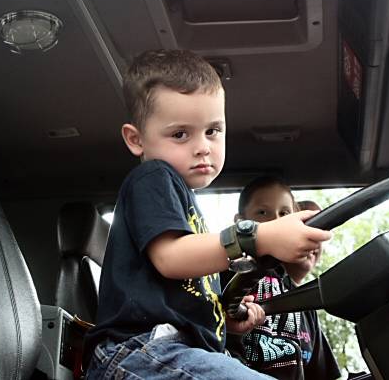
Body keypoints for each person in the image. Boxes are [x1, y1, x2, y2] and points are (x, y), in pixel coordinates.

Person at [83, 49, 331, 379]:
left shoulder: (186, 206)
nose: (203, 146)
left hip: (179, 352)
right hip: (139, 351)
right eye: (180, 134)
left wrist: (226, 322)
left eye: (212, 130)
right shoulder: (153, 178)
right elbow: (171, 258)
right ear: (136, 139)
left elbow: (186, 298)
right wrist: (257, 237)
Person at [223, 176, 341, 380]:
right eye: (262, 212)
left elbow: (321, 373)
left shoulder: (304, 302)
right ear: (240, 222)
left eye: (284, 213)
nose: (276, 220)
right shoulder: (224, 274)